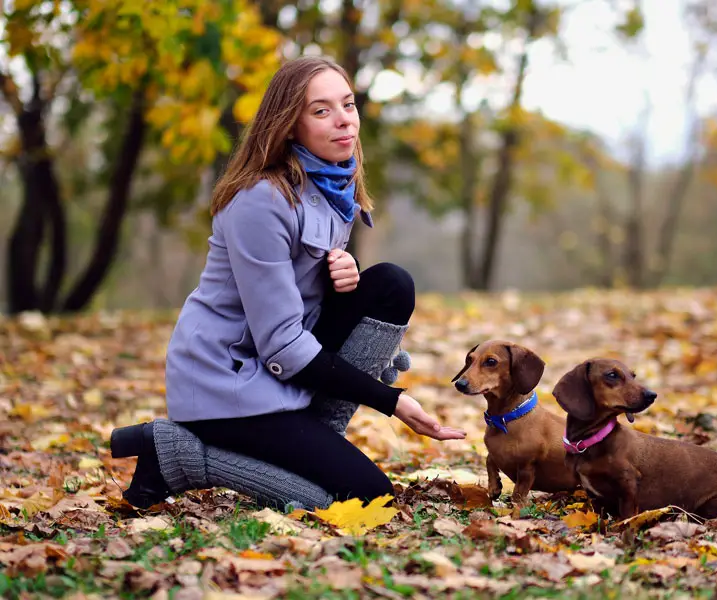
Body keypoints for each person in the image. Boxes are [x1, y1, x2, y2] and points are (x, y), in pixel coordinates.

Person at [109, 56, 466, 512]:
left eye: (348, 105)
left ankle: (316, 432)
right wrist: (389, 400)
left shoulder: (331, 184)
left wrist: (344, 274)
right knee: (364, 498)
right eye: (321, 111)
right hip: (229, 386)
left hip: (281, 374)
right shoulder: (260, 200)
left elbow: (297, 279)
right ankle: (178, 455)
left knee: (391, 284)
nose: (343, 121)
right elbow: (282, 343)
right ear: (289, 126)